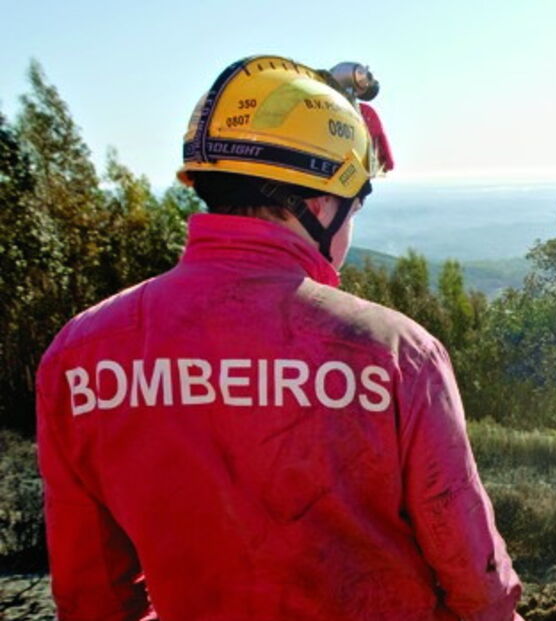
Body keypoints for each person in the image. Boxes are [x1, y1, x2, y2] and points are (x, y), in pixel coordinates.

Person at [36, 55, 523, 621]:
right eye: (353, 209)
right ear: (319, 203)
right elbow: (475, 581)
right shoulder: (397, 354)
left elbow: (92, 597)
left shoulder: (77, 355)